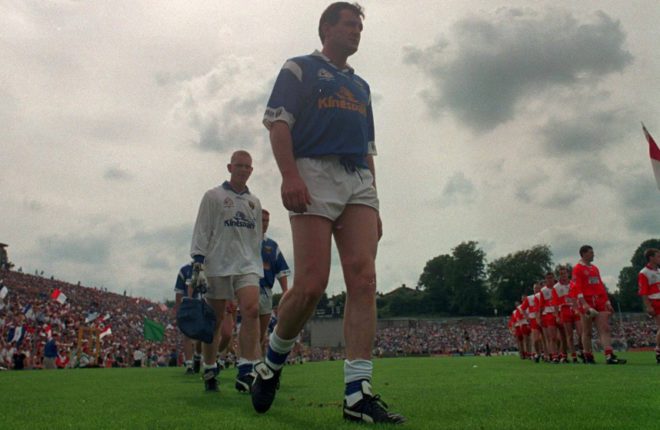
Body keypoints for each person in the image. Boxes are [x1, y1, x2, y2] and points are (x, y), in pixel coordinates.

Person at [254, 2, 405, 423]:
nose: (356, 32)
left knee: (364, 277)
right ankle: (272, 360)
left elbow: (368, 149)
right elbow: (279, 125)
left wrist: (375, 200)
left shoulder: (361, 86)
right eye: (349, 24)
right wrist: (289, 175)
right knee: (311, 284)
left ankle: (357, 393)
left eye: (360, 27)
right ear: (326, 28)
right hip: (313, 170)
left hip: (357, 176)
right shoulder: (299, 68)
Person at [190, 149, 263, 393]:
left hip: (247, 264)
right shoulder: (213, 196)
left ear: (251, 171)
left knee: (251, 309)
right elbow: (202, 228)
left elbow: (256, 237)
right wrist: (198, 261)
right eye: (238, 165)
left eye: (247, 166)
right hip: (218, 264)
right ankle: (210, 367)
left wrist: (256, 261)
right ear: (230, 168)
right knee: (215, 320)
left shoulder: (254, 202)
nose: (243, 170)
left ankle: (245, 370)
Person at [571, 245, 625, 364]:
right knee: (587, 331)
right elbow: (576, 287)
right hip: (587, 301)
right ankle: (588, 355)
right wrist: (584, 303)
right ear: (584, 254)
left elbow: (600, 285)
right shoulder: (577, 268)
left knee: (605, 328)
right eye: (591, 252)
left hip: (599, 301)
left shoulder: (595, 268)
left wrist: (607, 301)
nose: (593, 254)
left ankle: (609, 355)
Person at [258, 209, 290, 353]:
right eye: (262, 220)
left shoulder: (272, 245)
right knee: (249, 327)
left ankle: (256, 358)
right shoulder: (245, 241)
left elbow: (281, 270)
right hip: (248, 288)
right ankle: (245, 360)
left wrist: (285, 292)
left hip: (266, 291)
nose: (265, 224)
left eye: (267, 221)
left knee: (261, 333)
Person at [173, 262, 202, 374]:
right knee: (187, 334)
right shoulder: (185, 270)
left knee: (201, 335)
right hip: (187, 305)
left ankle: (197, 355)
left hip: (202, 305)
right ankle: (189, 364)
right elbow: (179, 292)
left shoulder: (210, 268)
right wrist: (178, 310)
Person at [637, 248, 660, 364]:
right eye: (658, 256)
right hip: (655, 301)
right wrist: (648, 306)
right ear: (651, 258)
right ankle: (658, 350)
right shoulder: (644, 272)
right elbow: (644, 292)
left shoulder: (659, 271)